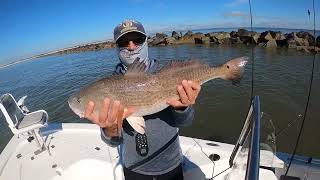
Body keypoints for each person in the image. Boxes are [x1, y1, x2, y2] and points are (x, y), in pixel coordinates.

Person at [84, 19, 201, 180]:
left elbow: (186, 122)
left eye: (137, 40)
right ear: (117, 48)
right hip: (134, 169)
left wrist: (183, 108)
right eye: (124, 42)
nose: (131, 47)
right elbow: (113, 143)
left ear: (146, 41)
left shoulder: (168, 73)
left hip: (171, 165)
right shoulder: (107, 86)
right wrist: (109, 129)